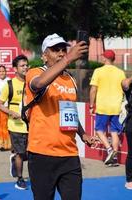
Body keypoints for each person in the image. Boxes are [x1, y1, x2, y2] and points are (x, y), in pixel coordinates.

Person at [25, 33, 95, 200]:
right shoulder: (35, 73)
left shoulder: (71, 80)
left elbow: (69, 112)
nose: (62, 53)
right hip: (42, 154)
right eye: (55, 50)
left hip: (69, 155)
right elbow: (39, 84)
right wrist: (69, 58)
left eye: (64, 49)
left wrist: (83, 134)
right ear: (44, 56)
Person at [89, 50, 126, 166]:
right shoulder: (120, 73)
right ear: (114, 59)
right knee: (114, 132)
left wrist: (91, 105)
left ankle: (109, 150)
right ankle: (114, 159)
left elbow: (93, 89)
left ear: (104, 58)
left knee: (99, 130)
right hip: (116, 107)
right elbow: (125, 88)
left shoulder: (98, 71)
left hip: (103, 106)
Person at [0, 55, 29, 190]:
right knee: (21, 153)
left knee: (30, 154)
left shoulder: (32, 83)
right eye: (22, 66)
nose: (26, 67)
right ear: (15, 69)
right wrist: (11, 112)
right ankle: (20, 179)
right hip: (15, 126)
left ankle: (14, 160)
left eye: (27, 65)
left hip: (31, 125)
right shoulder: (9, 85)